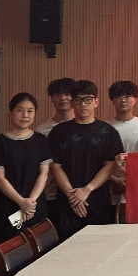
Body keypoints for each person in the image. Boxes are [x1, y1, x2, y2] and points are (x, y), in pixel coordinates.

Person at [47, 80, 124, 239]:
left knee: (99, 247)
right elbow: (55, 166)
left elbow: (110, 165)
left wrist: (87, 190)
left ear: (96, 102)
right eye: (78, 100)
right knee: (65, 248)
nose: (83, 104)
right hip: (66, 204)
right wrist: (73, 197)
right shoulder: (58, 132)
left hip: (99, 203)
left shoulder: (108, 132)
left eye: (88, 99)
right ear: (72, 103)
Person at [0, 92, 53, 244]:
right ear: (10, 112)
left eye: (30, 111)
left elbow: (44, 174)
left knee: (39, 246)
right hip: (9, 205)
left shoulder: (40, 140)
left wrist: (30, 202)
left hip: (35, 206)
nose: (25, 115)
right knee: (11, 248)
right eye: (20, 110)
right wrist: (21, 202)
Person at [105, 80, 138, 223]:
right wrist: (115, 180)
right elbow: (99, 161)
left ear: (135, 99)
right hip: (112, 188)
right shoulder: (105, 128)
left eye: (127, 96)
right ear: (112, 100)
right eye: (118, 96)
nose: (123, 100)